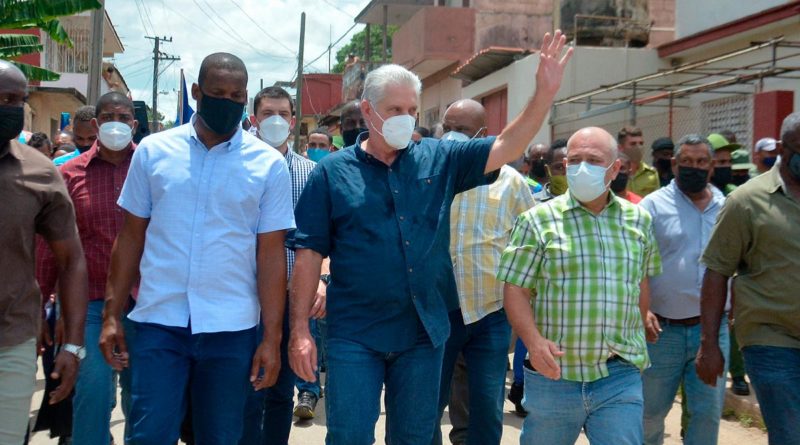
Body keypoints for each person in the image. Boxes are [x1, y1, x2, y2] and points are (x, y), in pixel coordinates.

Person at [288, 31, 572, 444]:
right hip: (354, 333)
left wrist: (543, 92)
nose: (406, 116)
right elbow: (310, 251)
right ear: (368, 111)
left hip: (422, 334)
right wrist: (299, 331)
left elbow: (509, 145)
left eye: (412, 109)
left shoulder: (441, 159)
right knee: (348, 435)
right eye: (394, 109)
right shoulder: (332, 172)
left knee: (415, 438)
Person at [99, 53, 295, 444]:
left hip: (232, 329)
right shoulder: (154, 153)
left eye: (237, 95)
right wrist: (111, 315)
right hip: (159, 323)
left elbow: (271, 255)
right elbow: (130, 237)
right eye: (217, 93)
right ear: (196, 92)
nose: (228, 101)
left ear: (246, 99)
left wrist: (271, 339)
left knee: (221, 436)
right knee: (149, 434)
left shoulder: (268, 166)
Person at [499, 126, 661, 445]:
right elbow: (515, 288)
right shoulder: (536, 221)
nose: (581, 167)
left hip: (619, 373)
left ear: (615, 169)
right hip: (554, 375)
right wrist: (533, 342)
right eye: (575, 160)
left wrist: (640, 325)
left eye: (593, 159)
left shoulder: (638, 220)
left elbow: (641, 281)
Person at [34, 91, 139, 445]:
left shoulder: (151, 168)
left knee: (142, 402)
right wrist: (44, 303)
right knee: (92, 398)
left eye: (124, 118)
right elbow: (51, 248)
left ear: (134, 125)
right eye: (109, 117)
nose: (116, 124)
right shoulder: (67, 175)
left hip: (146, 303)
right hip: (88, 303)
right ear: (96, 124)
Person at [431, 99, 535, 445]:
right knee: (426, 405)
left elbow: (528, 244)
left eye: (461, 130)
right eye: (447, 127)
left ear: (482, 134)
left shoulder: (511, 183)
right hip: (436, 312)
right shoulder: (427, 172)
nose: (451, 136)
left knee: (486, 409)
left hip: (490, 312)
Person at [697, 112, 800, 445]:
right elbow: (717, 271)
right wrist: (709, 344)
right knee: (790, 433)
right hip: (771, 336)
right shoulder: (746, 201)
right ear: (783, 148)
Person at [0, 60, 88, 445]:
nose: (11, 108)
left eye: (17, 100)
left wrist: (71, 344)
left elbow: (70, 260)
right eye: (2, 98)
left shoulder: (40, 173)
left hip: (11, 339)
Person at [239, 86, 326, 445]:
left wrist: (320, 279)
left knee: (279, 391)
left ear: (293, 122)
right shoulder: (238, 167)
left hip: (293, 298)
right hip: (244, 298)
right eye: (267, 114)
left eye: (283, 114)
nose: (276, 121)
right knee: (245, 389)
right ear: (253, 119)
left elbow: (324, 236)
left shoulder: (312, 174)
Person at [639, 134, 730, 445]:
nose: (694, 168)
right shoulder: (652, 206)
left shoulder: (727, 208)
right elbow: (637, 264)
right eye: (687, 162)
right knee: (650, 413)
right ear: (674, 165)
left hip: (712, 331)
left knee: (707, 412)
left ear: (712, 167)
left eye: (701, 162)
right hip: (661, 332)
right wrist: (644, 309)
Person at [618, 126, 659, 196]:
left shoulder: (651, 174)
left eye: (641, 143)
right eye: (633, 144)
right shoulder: (613, 173)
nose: (638, 147)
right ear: (620, 148)